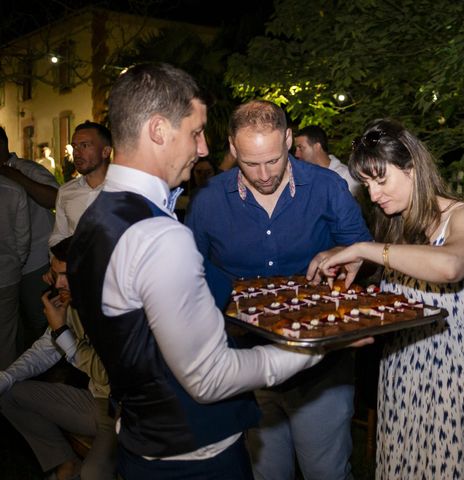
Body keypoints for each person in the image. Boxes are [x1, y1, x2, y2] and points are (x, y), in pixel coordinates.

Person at [67, 63, 329, 479]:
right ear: (158, 130)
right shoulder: (158, 236)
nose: (204, 148)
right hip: (196, 461)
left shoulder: (94, 219)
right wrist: (312, 347)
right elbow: (209, 378)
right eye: (195, 132)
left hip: (141, 445)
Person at [186, 100, 372, 480]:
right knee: (267, 472)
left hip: (322, 365)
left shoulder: (327, 187)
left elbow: (365, 255)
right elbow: (190, 274)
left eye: (273, 160)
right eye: (251, 163)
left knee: (326, 471)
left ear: (288, 139)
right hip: (244, 363)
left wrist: (343, 252)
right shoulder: (207, 200)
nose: (265, 174)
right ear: (233, 149)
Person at [319, 118, 464, 479]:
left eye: (381, 180)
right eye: (367, 185)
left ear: (412, 167)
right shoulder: (397, 228)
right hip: (402, 378)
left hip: (455, 382)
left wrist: (366, 248)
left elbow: (452, 265)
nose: (374, 195)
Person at [0, 236, 117, 480]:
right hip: (95, 400)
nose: (59, 283)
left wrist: (62, 332)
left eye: (67, 274)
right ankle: (65, 462)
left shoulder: (116, 308)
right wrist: (6, 377)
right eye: (55, 274)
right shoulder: (70, 302)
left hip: (122, 412)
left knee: (93, 474)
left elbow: (108, 374)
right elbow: (46, 349)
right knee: (10, 394)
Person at [0, 126, 59, 352]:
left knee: (41, 324)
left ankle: (51, 377)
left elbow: (56, 198)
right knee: (16, 330)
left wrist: (17, 178)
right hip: (12, 266)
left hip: (36, 262)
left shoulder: (26, 168)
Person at [48, 121, 112, 248]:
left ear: (105, 151)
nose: (76, 153)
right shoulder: (66, 191)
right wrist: (56, 258)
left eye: (84, 145)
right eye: (74, 147)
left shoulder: (126, 189)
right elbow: (58, 236)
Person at [0, 175, 30, 369]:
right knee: (6, 338)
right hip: (7, 275)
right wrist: (15, 263)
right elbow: (23, 238)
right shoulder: (13, 189)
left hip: (8, 272)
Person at [294, 124, 361, 197]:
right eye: (296, 149)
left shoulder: (346, 177)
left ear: (317, 147)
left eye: (300, 148)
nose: (296, 154)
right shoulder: (301, 179)